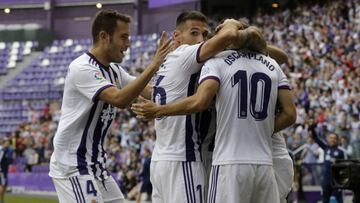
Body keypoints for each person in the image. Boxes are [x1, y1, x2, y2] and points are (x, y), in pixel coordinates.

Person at [133, 10, 269, 203]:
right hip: (185, 159)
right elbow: (229, 36)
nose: (200, 39)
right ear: (177, 37)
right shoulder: (186, 55)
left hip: (160, 160)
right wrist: (231, 22)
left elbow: (154, 92)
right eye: (194, 33)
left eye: (205, 34)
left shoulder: (168, 64)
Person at [133, 46, 297, 202]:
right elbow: (290, 113)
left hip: (232, 159)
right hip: (268, 157)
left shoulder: (217, 63)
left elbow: (199, 102)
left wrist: (159, 110)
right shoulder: (270, 64)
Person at [49, 9, 172, 203]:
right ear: (104, 36)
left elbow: (148, 90)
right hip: (72, 164)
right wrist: (153, 65)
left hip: (96, 166)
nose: (128, 44)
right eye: (123, 37)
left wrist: (185, 91)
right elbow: (120, 99)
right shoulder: (82, 67)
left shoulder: (114, 70)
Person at [309, 124, 347, 203]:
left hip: (337, 181)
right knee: (325, 200)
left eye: (334, 138)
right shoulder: (326, 148)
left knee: (340, 201)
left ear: (337, 140)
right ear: (328, 139)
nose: (332, 139)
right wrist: (312, 128)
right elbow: (316, 138)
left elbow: (345, 167)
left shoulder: (341, 151)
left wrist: (343, 181)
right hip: (326, 181)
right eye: (331, 138)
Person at [0, 138, 13, 203]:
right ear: (3, 143)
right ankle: (1, 201)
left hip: (4, 170)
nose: (8, 143)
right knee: (3, 185)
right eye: (7, 142)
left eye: (8, 142)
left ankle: (2, 200)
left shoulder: (6, 150)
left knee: (4, 185)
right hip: (2, 171)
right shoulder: (2, 150)